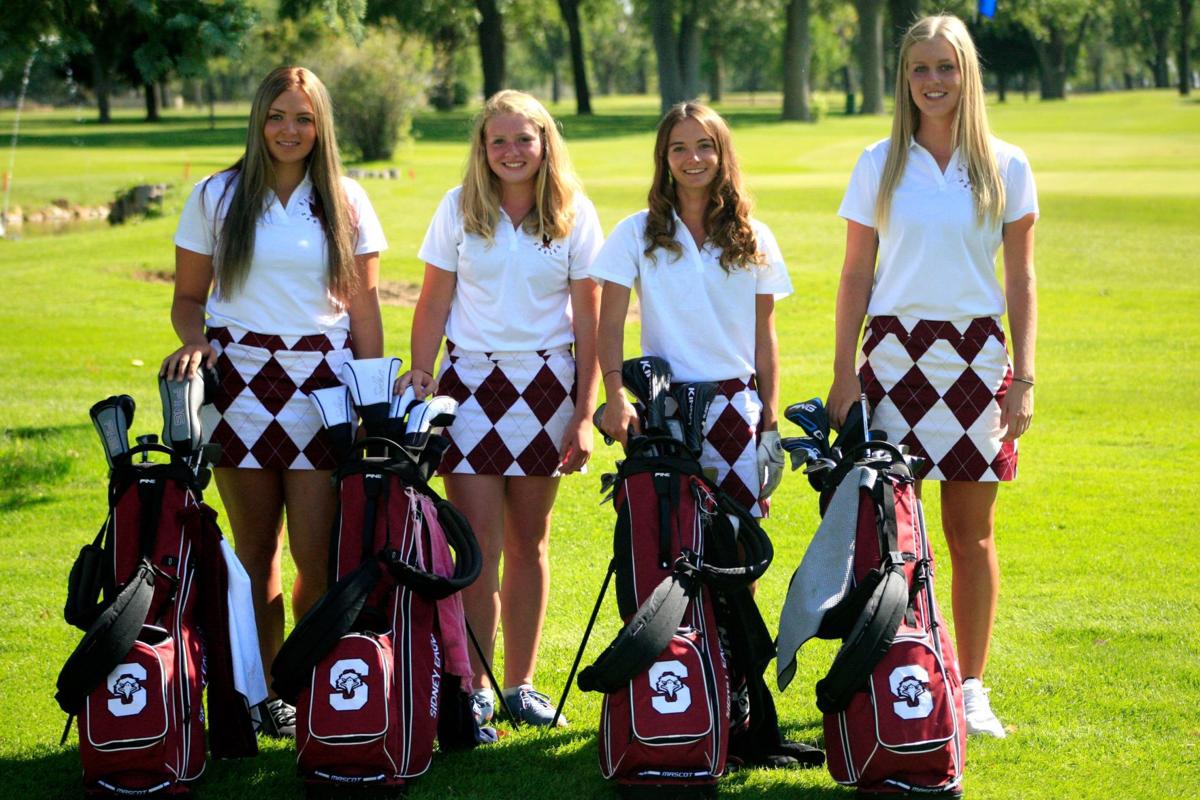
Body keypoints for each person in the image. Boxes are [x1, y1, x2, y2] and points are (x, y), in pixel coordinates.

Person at [827, 14, 1038, 739]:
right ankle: (898, 669)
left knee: (969, 534)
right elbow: (856, 273)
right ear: (905, 78)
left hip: (979, 361)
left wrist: (1026, 376)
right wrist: (842, 374)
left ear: (966, 72)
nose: (933, 80)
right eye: (920, 68)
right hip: (891, 359)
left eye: (946, 66)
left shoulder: (1007, 163)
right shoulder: (877, 160)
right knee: (892, 536)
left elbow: (1022, 280)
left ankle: (972, 686)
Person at [160, 66, 387, 738]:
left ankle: (310, 685)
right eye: (278, 116)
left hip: (322, 390)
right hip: (240, 388)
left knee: (317, 559)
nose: (290, 130)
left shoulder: (347, 200)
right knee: (255, 554)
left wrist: (373, 398)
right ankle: (262, 697)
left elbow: (366, 309)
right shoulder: (215, 195)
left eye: (304, 118)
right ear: (259, 120)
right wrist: (196, 345)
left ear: (322, 127)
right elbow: (186, 300)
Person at [591, 102, 814, 768]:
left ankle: (736, 697)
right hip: (662, 415)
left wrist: (771, 422)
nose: (692, 158)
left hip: (735, 410)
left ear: (723, 154)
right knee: (671, 558)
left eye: (705, 147)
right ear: (663, 156)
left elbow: (765, 337)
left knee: (736, 562)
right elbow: (608, 323)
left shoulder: (753, 234)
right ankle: (681, 687)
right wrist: (609, 396)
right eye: (679, 147)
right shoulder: (636, 232)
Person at [400, 90, 602, 728]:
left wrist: (584, 411)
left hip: (547, 384)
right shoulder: (458, 208)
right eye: (499, 141)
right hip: (469, 386)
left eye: (524, 139)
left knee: (530, 542)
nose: (512, 151)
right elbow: (433, 300)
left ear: (545, 143)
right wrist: (423, 371)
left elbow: (592, 322)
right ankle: (476, 684)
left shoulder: (573, 212)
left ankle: (521, 685)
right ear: (482, 149)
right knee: (477, 545)